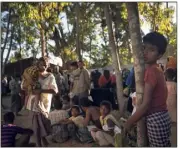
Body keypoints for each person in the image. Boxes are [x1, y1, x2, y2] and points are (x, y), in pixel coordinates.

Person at [124, 32, 171, 147]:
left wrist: (129, 122)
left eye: (151, 50)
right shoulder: (157, 69)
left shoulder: (151, 71)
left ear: (159, 55)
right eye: (144, 48)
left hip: (156, 119)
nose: (146, 52)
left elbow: (145, 105)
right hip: (162, 117)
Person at [26, 56, 58, 147]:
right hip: (33, 103)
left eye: (45, 65)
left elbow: (55, 91)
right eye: (40, 64)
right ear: (37, 65)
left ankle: (43, 143)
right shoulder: (33, 75)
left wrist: (41, 91)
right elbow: (28, 88)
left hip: (44, 104)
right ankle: (39, 145)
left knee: (42, 124)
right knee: (36, 126)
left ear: (47, 65)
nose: (43, 66)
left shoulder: (50, 76)